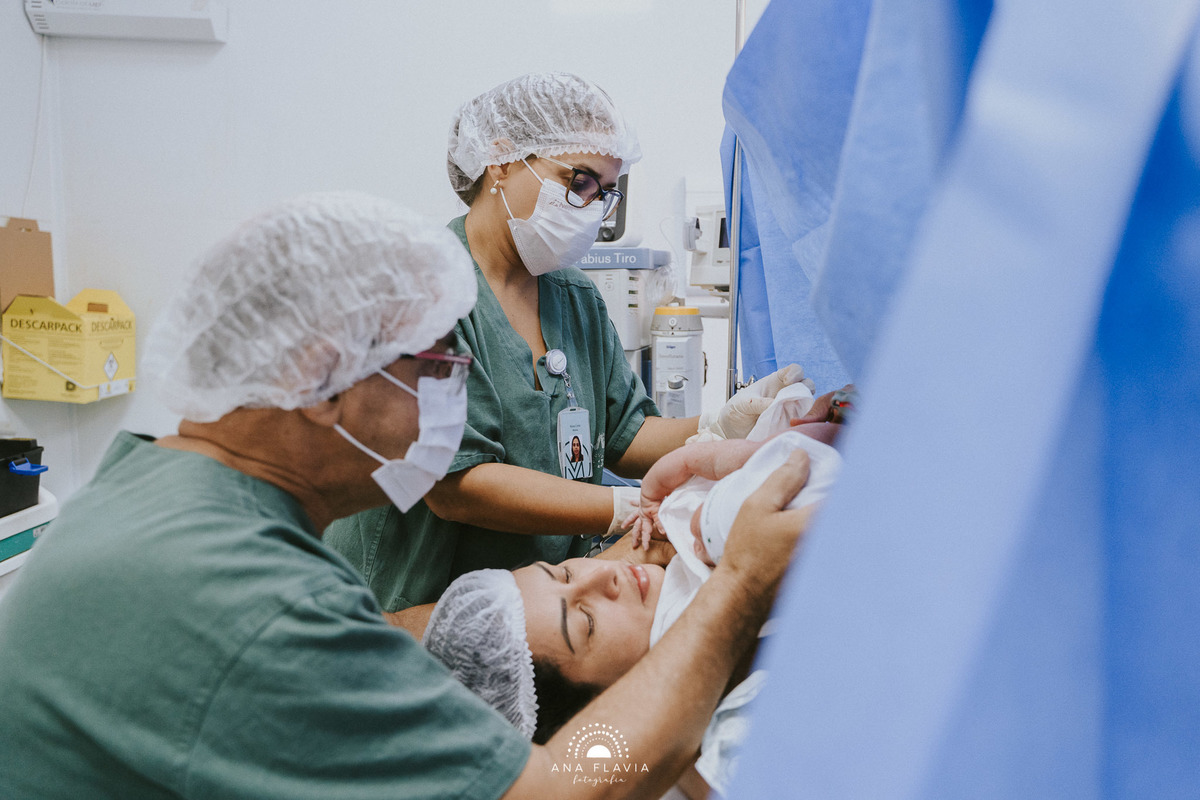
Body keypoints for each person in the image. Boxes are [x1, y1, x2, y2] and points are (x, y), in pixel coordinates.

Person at [0, 191, 816, 800]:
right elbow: (571, 786)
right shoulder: (250, 598)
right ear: (322, 385)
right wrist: (736, 592)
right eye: (435, 368)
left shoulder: (159, 492)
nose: (454, 396)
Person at [325, 72, 805, 611]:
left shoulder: (574, 297)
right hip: (420, 604)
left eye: (605, 192)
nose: (592, 209)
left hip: (536, 607)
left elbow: (625, 438)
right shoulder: (419, 292)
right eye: (579, 182)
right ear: (501, 160)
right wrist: (625, 508)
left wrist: (723, 426)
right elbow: (454, 486)